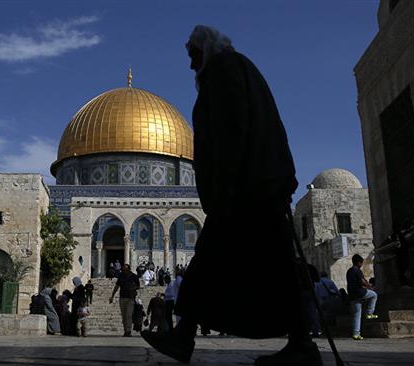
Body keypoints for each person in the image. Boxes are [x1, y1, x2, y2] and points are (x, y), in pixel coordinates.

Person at [142, 25, 320, 366]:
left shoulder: (224, 71)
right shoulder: (242, 69)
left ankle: (185, 335)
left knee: (211, 258)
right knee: (273, 265)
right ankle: (299, 344)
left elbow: (230, 132)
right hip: (264, 182)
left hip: (246, 187)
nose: (192, 64)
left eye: (193, 55)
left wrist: (224, 188)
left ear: (206, 48)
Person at [347, 254, 378, 340]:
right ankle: (369, 313)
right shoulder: (357, 270)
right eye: (361, 263)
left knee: (357, 315)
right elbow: (362, 281)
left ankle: (356, 334)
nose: (361, 265)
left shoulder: (349, 271)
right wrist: (369, 286)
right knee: (374, 295)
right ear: (359, 263)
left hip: (352, 295)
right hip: (360, 292)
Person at [109, 264, 140, 337]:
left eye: (125, 270)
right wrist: (112, 296)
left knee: (129, 315)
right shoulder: (121, 276)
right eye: (123, 270)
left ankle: (128, 331)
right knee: (124, 316)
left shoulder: (134, 276)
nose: (124, 271)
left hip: (130, 298)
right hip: (122, 297)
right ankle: (125, 330)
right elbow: (117, 286)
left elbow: (138, 286)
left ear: (129, 269)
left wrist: (133, 288)